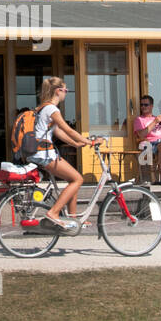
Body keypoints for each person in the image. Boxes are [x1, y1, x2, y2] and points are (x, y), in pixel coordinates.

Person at [27, 76, 100, 231]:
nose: (66, 93)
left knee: (72, 179)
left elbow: (58, 132)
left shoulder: (43, 108)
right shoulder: (52, 109)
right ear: (58, 91)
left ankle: (73, 219)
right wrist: (89, 142)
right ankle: (53, 213)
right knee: (78, 179)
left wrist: (76, 144)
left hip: (41, 152)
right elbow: (67, 129)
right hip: (44, 153)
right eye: (65, 90)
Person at [132, 94, 161, 167]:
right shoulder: (139, 120)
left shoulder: (159, 119)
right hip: (149, 144)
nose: (143, 107)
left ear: (151, 106)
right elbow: (141, 135)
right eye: (141, 105)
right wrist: (155, 122)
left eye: (146, 105)